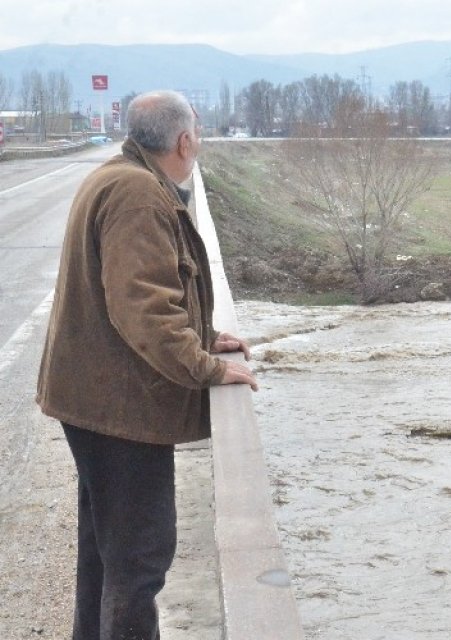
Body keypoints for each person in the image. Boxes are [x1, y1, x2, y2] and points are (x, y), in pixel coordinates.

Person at [36, 89, 258, 640]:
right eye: (199, 135)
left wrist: (206, 334)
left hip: (97, 402)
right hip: (121, 409)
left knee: (107, 557)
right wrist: (206, 367)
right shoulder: (138, 195)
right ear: (184, 141)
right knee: (138, 561)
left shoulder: (121, 176)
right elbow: (146, 309)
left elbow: (142, 292)